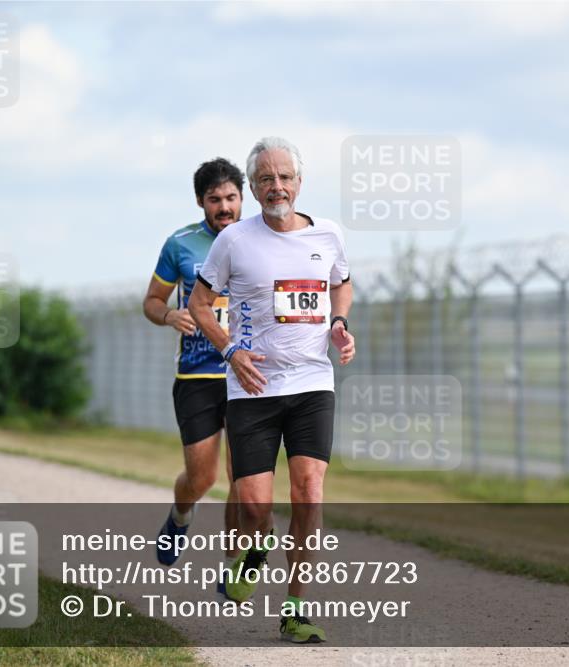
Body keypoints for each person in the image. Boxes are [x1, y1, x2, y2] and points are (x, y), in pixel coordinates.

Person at [189, 137, 355, 644]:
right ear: (254, 187)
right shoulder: (234, 240)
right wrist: (230, 351)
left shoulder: (328, 233)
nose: (276, 186)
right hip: (253, 387)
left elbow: (341, 282)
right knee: (256, 507)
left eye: (284, 177)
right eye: (266, 179)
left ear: (299, 183)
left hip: (312, 383)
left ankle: (296, 608)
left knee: (308, 492)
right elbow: (199, 304)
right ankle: (254, 548)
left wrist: (339, 323)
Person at [143, 158, 268, 579]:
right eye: (215, 199)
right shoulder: (180, 244)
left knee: (241, 478)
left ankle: (231, 569)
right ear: (201, 201)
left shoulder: (262, 240)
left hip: (246, 375)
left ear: (243, 198)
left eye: (231, 197)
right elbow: (152, 301)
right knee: (202, 478)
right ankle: (180, 515)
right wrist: (168, 316)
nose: (224, 207)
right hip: (197, 376)